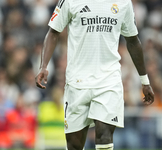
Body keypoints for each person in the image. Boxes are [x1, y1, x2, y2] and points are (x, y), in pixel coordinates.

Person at [35, 0, 154, 150]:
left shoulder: (123, 3)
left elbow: (133, 40)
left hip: (108, 80)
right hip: (76, 81)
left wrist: (145, 81)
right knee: (74, 144)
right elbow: (53, 32)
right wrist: (43, 65)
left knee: (104, 134)